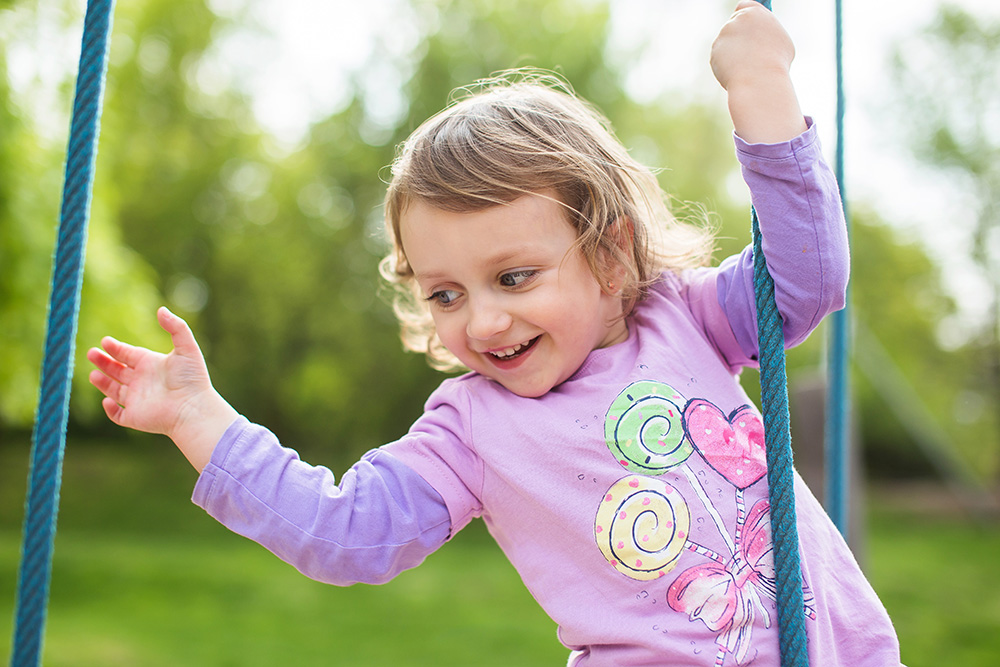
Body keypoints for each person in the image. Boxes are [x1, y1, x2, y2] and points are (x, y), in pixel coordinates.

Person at [87, 2, 901, 664]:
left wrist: (762, 96)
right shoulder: (472, 430)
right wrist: (200, 419)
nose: (482, 320)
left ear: (610, 251)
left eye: (514, 277)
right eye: (445, 293)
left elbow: (807, 278)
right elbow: (345, 533)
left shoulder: (683, 318)